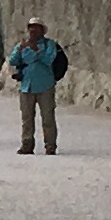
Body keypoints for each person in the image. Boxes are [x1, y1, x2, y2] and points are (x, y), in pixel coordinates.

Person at [8, 16, 69, 153]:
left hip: (45, 85)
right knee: (27, 118)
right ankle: (27, 144)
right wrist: (20, 50)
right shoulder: (23, 44)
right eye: (31, 28)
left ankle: (50, 145)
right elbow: (12, 61)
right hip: (27, 85)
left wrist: (36, 50)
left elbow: (48, 60)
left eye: (36, 28)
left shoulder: (49, 45)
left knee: (48, 118)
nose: (33, 31)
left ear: (42, 31)